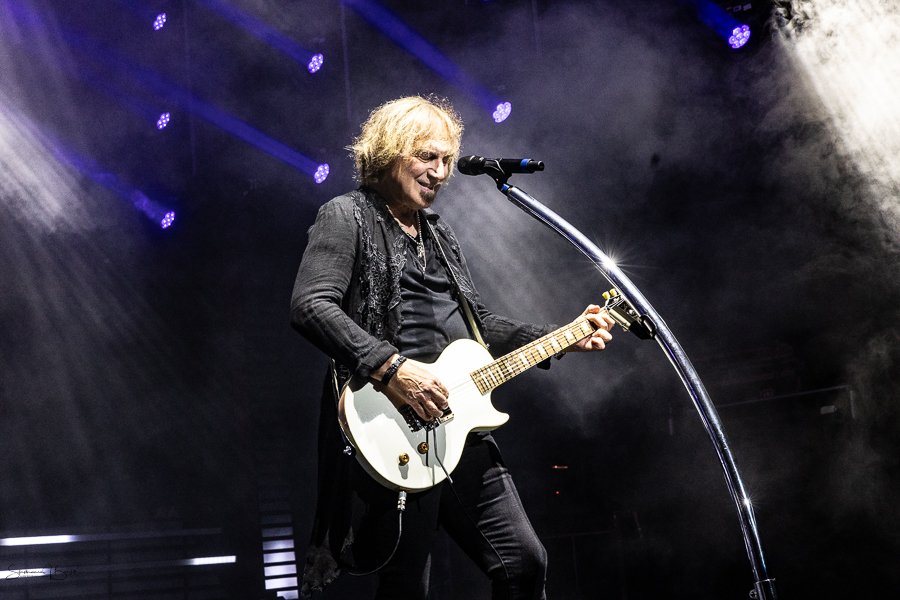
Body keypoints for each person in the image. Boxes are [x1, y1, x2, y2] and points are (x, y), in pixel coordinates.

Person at [290, 95, 615, 599]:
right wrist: (392, 369)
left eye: (446, 160)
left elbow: (478, 326)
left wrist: (564, 337)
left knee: (524, 563)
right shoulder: (346, 214)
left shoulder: (439, 234)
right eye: (427, 156)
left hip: (458, 427)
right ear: (389, 152)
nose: (440, 172)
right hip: (392, 428)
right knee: (406, 588)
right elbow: (311, 305)